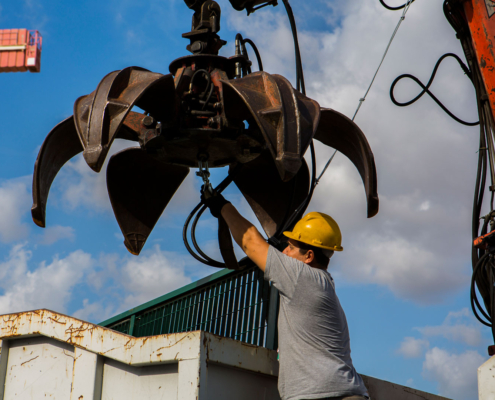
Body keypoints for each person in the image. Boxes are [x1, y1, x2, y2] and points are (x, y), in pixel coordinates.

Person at [202, 189, 369, 400]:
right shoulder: (320, 284)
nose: (284, 253)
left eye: (290, 247)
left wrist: (221, 206)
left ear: (309, 256)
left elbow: (252, 242)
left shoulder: (302, 278)